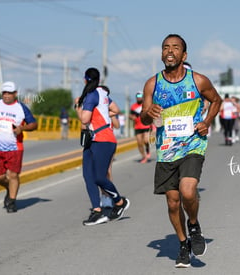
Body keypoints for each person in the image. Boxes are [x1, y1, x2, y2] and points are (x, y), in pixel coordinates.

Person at [140, 34, 222, 268]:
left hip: (193, 144)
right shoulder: (152, 83)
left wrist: (206, 121)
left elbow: (216, 100)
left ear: (184, 55)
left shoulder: (198, 81)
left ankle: (194, 225)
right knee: (173, 202)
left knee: (188, 192)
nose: (170, 51)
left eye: (175, 48)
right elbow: (143, 116)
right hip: (166, 149)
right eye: (166, 47)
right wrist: (150, 112)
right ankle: (183, 244)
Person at [74, 68, 130, 225]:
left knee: (99, 177)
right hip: (93, 140)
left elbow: (84, 119)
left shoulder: (91, 95)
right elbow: (116, 109)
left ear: (85, 80)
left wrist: (78, 106)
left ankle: (119, 201)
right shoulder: (102, 94)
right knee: (88, 176)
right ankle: (97, 210)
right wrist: (104, 115)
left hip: (103, 139)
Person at [0, 81, 38, 213]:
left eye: (9, 93)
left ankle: (11, 201)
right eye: (4, 93)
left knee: (13, 175)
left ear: (15, 93)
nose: (6, 95)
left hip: (15, 147)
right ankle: (10, 188)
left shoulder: (21, 107)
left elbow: (34, 124)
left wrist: (22, 128)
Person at [129, 92, 151, 163]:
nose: (139, 97)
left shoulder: (145, 105)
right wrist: (132, 117)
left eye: (140, 96)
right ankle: (143, 156)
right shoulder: (133, 106)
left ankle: (147, 150)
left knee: (146, 141)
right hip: (137, 127)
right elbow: (130, 115)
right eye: (137, 96)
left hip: (146, 125)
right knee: (139, 143)